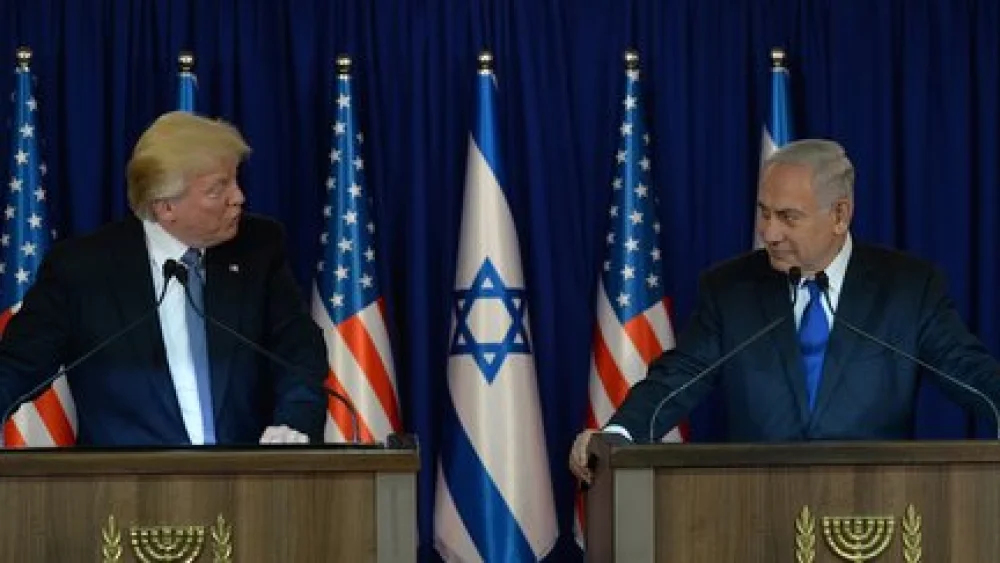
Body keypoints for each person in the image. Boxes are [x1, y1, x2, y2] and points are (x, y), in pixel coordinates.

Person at [570, 138, 1000, 483]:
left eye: (788, 217)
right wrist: (616, 434)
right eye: (764, 212)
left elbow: (971, 374)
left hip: (877, 512)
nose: (769, 232)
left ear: (840, 215)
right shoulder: (730, 289)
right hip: (757, 512)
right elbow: (678, 377)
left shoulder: (908, 289)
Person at [0, 111, 328, 446]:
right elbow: (17, 366)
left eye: (235, 180)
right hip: (125, 489)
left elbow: (299, 350)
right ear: (165, 208)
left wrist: (295, 421)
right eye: (218, 189)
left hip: (243, 484)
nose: (238, 198)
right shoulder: (82, 269)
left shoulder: (258, 248)